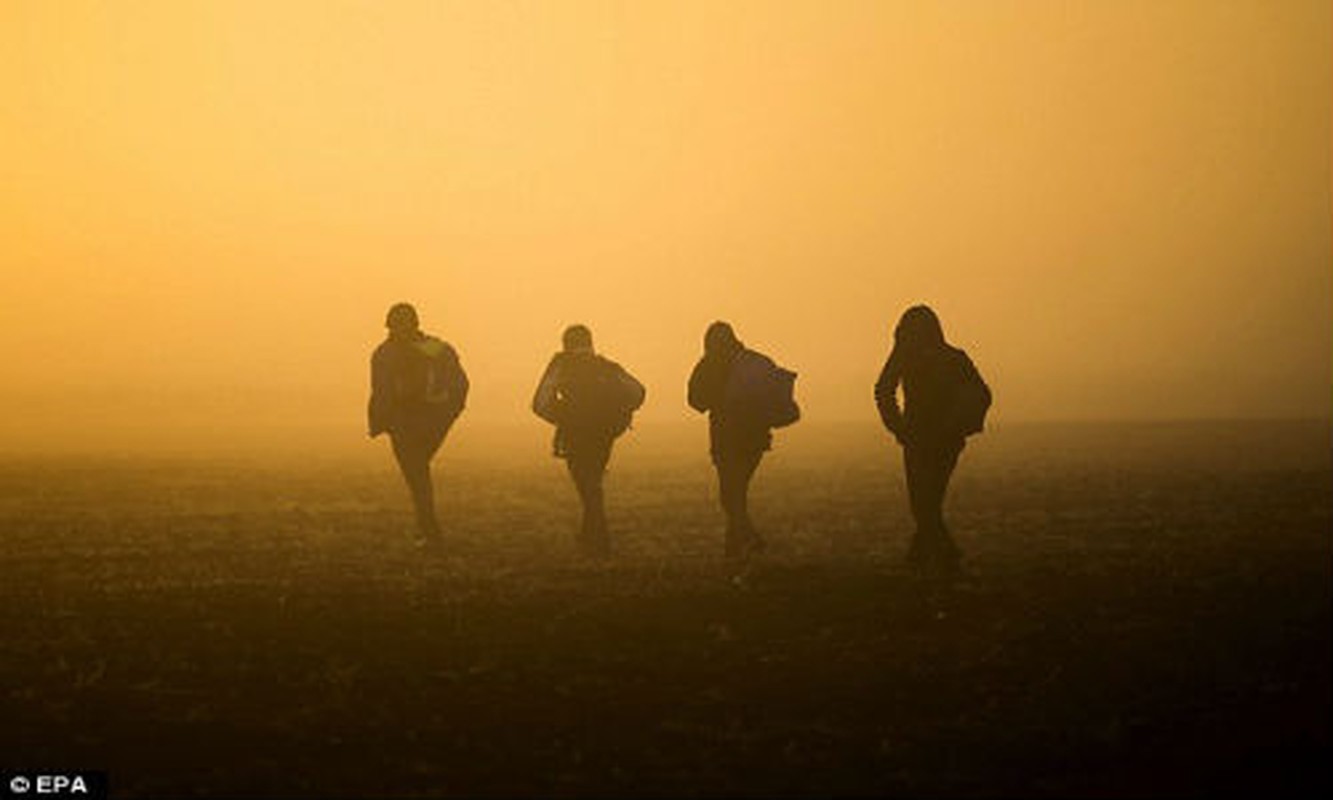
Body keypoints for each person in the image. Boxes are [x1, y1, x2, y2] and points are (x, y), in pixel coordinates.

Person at [874, 305, 990, 574]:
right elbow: (884, 390)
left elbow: (883, 390)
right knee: (929, 502)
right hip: (937, 439)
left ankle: (945, 555)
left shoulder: (910, 357)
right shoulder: (953, 358)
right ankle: (922, 557)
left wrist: (898, 427)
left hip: (925, 438)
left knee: (924, 503)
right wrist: (898, 426)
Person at [688, 321, 799, 563]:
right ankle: (735, 548)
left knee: (730, 495)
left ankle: (749, 538)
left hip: (726, 439)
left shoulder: (711, 365)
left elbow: (695, 400)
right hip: (755, 440)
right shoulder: (756, 362)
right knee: (737, 493)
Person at [532, 325, 645, 556]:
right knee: (592, 482)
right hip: (604, 434)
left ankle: (599, 539)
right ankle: (589, 537)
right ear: (590, 342)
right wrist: (618, 411)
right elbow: (638, 391)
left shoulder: (561, 365)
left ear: (566, 343)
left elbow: (540, 403)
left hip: (575, 434)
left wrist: (562, 417)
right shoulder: (605, 365)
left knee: (587, 485)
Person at [368, 302, 469, 546]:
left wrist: (380, 423)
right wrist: (449, 412)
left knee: (417, 477)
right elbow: (461, 384)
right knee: (419, 474)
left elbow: (380, 392)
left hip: (404, 424)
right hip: (432, 422)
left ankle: (429, 531)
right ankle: (425, 528)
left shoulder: (384, 353)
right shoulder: (434, 347)